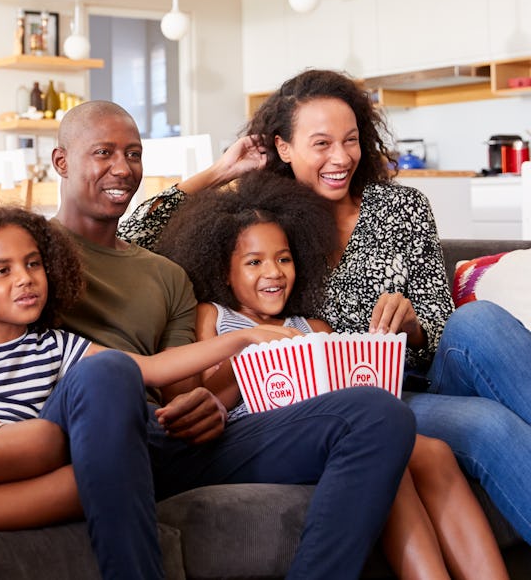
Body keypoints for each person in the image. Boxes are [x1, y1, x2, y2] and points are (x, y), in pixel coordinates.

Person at [0, 100, 417, 580]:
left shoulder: (163, 273)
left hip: (159, 440)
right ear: (61, 162)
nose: (123, 167)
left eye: (134, 154)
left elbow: (178, 379)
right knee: (109, 372)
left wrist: (207, 401)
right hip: (69, 435)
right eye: (104, 153)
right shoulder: (13, 244)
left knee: (377, 416)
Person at [122, 69, 531, 545]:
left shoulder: (402, 208)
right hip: (372, 402)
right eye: (321, 144)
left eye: (351, 140)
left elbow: (442, 322)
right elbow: (135, 238)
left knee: (477, 319)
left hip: (427, 372)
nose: (341, 158)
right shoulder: (266, 224)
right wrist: (219, 171)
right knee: (488, 424)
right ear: (283, 148)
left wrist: (415, 324)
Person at [0, 204, 299, 562]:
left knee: (89, 477)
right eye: (1, 271)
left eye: (33, 264)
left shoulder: (56, 346)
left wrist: (245, 339)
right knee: (45, 435)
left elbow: (150, 370)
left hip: (21, 480)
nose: (24, 279)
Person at [157, 169, 509, 580]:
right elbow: (202, 397)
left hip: (329, 428)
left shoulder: (315, 327)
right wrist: (252, 347)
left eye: (283, 258)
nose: (273, 272)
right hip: (261, 435)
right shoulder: (212, 317)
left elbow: (348, 389)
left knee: (432, 451)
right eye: (254, 262)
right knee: (386, 456)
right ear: (222, 269)